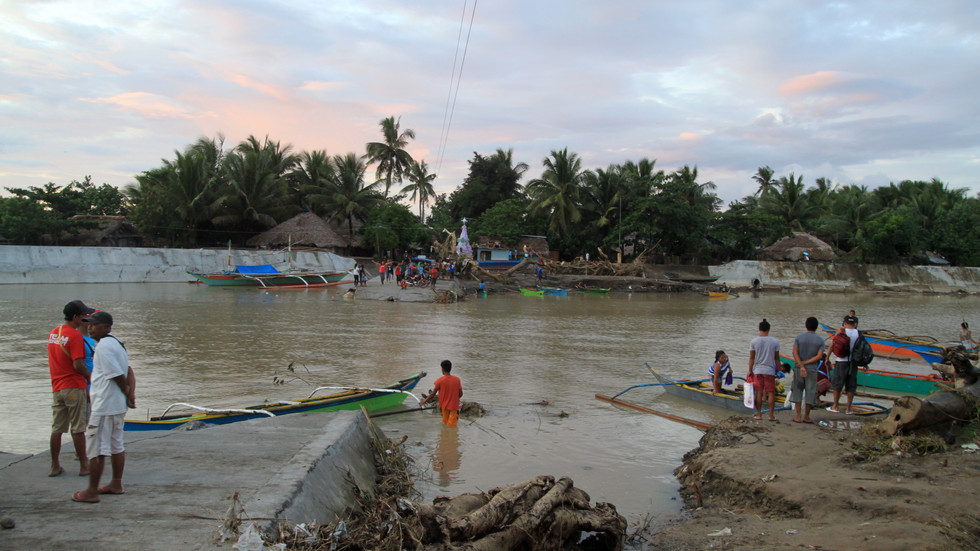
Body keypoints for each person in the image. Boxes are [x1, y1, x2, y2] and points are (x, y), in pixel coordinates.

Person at [72, 311, 134, 503]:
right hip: (116, 405)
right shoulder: (116, 343)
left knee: (97, 448)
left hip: (104, 405)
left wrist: (126, 391)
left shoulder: (104, 347)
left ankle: (91, 491)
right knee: (116, 445)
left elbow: (117, 375)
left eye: (94, 325)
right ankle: (116, 483)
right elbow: (129, 370)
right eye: (88, 324)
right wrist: (130, 394)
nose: (89, 327)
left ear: (106, 327)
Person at [48, 300, 96, 478]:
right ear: (76, 317)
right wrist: (90, 379)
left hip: (57, 387)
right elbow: (78, 365)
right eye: (83, 315)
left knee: (57, 428)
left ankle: (54, 466)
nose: (85, 318)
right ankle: (84, 466)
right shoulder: (75, 336)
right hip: (74, 387)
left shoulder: (54, 333)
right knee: (78, 428)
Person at [791, 317, 826, 424]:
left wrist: (801, 365)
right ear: (816, 327)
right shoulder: (820, 340)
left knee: (798, 390)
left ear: (806, 326)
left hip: (798, 368)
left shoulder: (799, 337)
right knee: (810, 392)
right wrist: (806, 364)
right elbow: (819, 357)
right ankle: (806, 416)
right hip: (812, 369)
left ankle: (798, 416)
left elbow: (794, 353)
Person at [748, 319, 781, 421]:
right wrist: (778, 370)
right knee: (771, 392)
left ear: (759, 329)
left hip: (758, 370)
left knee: (758, 392)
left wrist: (750, 370)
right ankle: (771, 416)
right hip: (769, 371)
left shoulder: (754, 341)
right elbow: (777, 358)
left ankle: (759, 414)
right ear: (769, 329)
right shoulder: (775, 342)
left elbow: (752, 358)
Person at [829, 314, 860, 414]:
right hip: (853, 363)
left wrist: (827, 358)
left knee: (837, 384)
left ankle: (835, 406)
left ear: (845, 323)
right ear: (855, 324)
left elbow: (832, 346)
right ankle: (848, 409)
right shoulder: (859, 333)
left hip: (841, 361)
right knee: (851, 386)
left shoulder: (841, 331)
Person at [420, 360, 463, 427]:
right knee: (452, 427)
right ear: (450, 368)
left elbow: (432, 394)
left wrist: (424, 401)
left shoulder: (439, 381)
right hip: (454, 407)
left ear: (442, 369)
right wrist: (455, 399)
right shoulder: (457, 380)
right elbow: (460, 394)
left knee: (445, 425)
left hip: (444, 407)